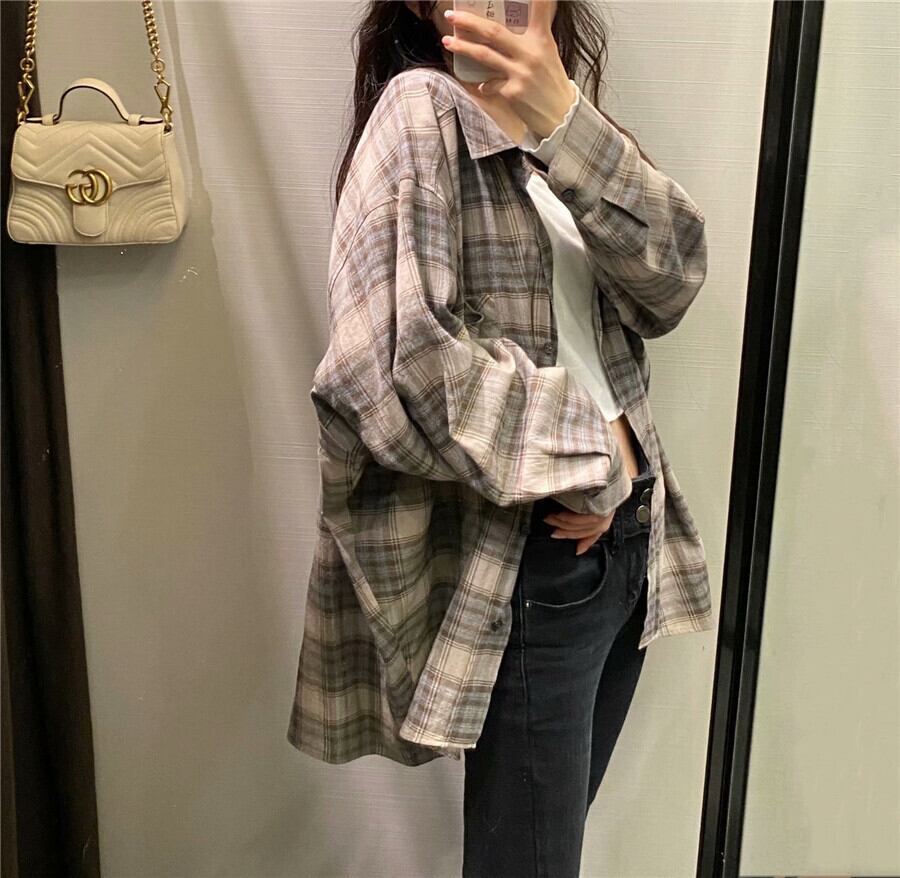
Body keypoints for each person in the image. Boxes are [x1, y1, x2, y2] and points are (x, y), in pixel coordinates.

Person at [287, 2, 714, 875]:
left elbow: (672, 283)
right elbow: (394, 366)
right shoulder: (420, 112)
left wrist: (567, 120)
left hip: (625, 552)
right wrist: (596, 450)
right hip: (537, 558)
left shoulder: (562, 126)